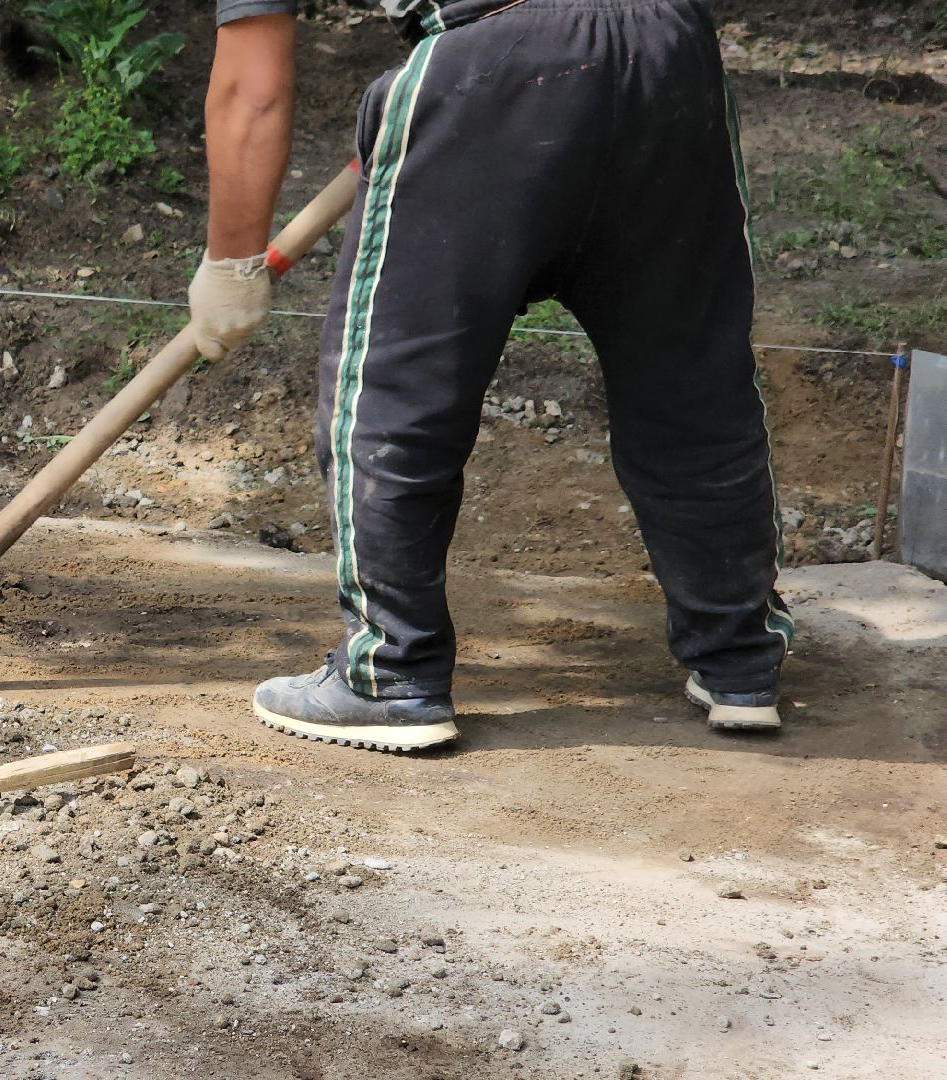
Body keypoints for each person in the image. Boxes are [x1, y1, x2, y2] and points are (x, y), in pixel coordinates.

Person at [187, 0, 793, 752]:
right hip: (667, 54)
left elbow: (254, 87)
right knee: (692, 381)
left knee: (395, 389)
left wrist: (232, 260)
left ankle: (391, 674)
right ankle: (738, 659)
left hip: (489, 65)